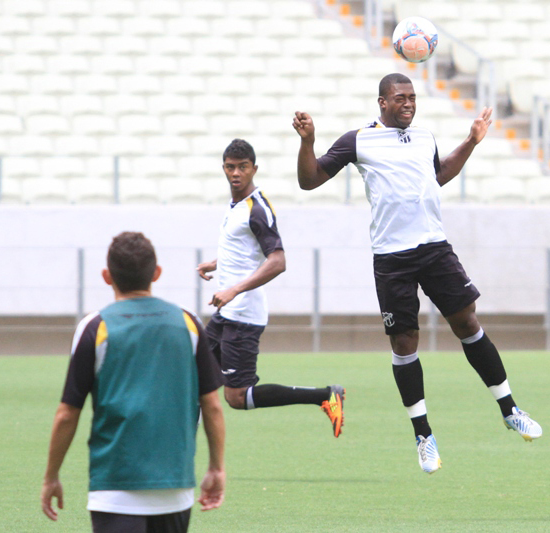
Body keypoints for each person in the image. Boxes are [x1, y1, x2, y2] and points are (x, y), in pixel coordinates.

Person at [292, 73, 542, 474]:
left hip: (434, 247)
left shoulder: (425, 138)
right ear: (382, 102)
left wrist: (472, 142)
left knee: (467, 321)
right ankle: (424, 436)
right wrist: (308, 142)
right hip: (392, 258)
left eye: (412, 97)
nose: (408, 103)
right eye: (400, 98)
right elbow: (309, 181)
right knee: (405, 342)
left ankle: (510, 409)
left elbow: (437, 176)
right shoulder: (357, 140)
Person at [41, 232, 226, 532]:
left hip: (114, 488)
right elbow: (212, 406)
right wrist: (216, 468)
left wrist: (51, 476)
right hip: (174, 487)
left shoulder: (95, 327)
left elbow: (67, 413)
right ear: (156, 273)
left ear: (106, 276)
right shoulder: (189, 323)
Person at [196, 139, 345, 437]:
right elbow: (246, 249)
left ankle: (325, 395)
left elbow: (278, 261)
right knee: (195, 374)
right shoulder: (236, 205)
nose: (236, 173)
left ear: (254, 169)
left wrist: (233, 289)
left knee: (237, 398)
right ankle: (182, 443)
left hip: (243, 316)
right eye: (230, 167)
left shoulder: (257, 209)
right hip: (226, 314)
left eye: (242, 167)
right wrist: (218, 263)